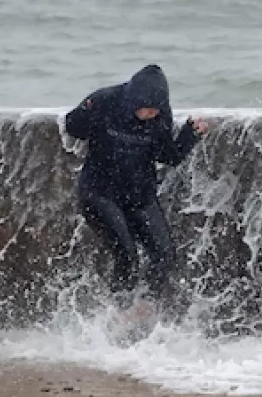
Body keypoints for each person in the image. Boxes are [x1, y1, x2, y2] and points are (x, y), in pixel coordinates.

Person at [64, 64, 209, 309]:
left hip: (139, 196)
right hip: (99, 193)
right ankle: (116, 311)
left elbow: (168, 156)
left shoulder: (160, 115)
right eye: (145, 110)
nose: (149, 115)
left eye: (155, 111)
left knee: (165, 255)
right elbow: (73, 128)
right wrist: (84, 113)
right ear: (132, 100)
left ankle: (144, 306)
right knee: (127, 255)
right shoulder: (105, 100)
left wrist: (189, 135)